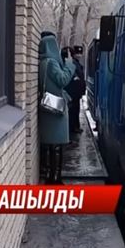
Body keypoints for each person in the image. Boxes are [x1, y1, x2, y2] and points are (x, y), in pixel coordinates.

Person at [39, 32, 76, 184]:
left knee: (49, 144)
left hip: (47, 107)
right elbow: (62, 80)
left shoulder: (42, 63)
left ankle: (49, 175)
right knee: (57, 144)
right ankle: (56, 177)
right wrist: (69, 64)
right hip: (56, 109)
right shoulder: (52, 63)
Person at [67, 45, 86, 135]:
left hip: (77, 92)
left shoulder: (77, 63)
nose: (79, 55)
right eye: (77, 53)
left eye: (80, 53)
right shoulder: (73, 64)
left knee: (76, 109)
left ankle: (75, 126)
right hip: (73, 92)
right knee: (74, 110)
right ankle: (74, 127)